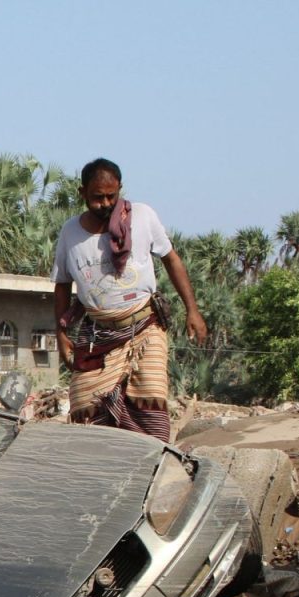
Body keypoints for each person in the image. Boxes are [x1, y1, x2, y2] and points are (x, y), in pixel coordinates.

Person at [52, 158, 207, 442]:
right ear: (82, 192)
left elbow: (172, 260)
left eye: (112, 195)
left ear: (120, 189)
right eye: (98, 197)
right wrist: (61, 334)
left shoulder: (143, 216)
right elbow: (62, 285)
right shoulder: (70, 232)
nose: (106, 203)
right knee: (86, 408)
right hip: (97, 334)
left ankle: (149, 466)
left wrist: (192, 310)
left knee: (148, 404)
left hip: (145, 327)